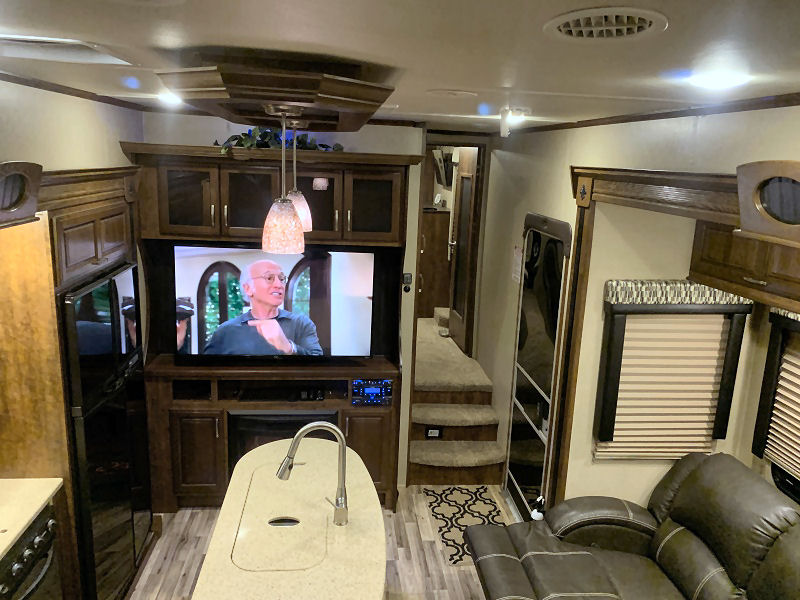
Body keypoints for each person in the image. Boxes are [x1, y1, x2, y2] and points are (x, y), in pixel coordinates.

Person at [203, 259, 323, 355]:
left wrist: (288, 348)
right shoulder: (225, 331)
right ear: (248, 288)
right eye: (269, 278)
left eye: (281, 279)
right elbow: (206, 373)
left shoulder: (301, 324)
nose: (279, 285)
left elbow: (319, 369)